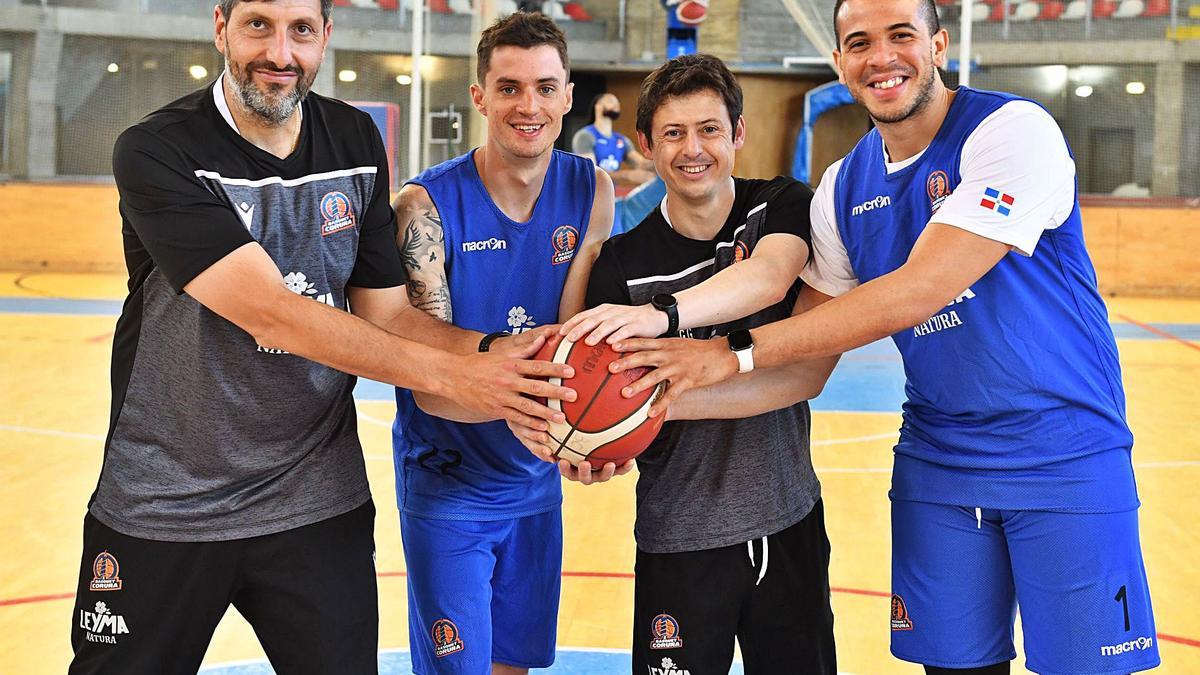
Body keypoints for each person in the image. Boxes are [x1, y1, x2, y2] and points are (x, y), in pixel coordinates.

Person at [605, 1, 1161, 674]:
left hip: (1064, 453)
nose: (882, 56)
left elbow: (917, 290)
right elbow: (803, 368)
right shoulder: (843, 188)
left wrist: (728, 352)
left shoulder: (1011, 131)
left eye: (901, 35)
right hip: (940, 461)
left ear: (938, 44)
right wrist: (636, 407)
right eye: (859, 42)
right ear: (840, 62)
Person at [67, 0, 574, 672]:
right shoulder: (158, 148)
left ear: (325, 37)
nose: (280, 52)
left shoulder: (355, 140)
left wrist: (492, 355)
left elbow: (388, 313)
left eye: (301, 30)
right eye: (258, 25)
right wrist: (460, 376)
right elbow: (272, 312)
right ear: (220, 27)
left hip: (314, 499)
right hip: (167, 500)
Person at [514, 54, 840, 674]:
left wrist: (663, 321)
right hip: (679, 534)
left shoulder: (780, 207)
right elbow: (594, 401)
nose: (694, 149)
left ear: (738, 134)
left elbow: (775, 295)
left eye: (710, 129)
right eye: (673, 133)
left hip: (790, 520)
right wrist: (589, 441)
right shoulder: (618, 267)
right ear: (647, 145)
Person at [389, 12, 613, 675]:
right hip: (448, 482)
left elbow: (574, 345)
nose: (529, 105)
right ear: (480, 96)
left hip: (536, 478)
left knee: (513, 666)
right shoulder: (423, 206)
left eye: (546, 87)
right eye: (509, 87)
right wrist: (529, 388)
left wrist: (588, 433)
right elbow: (429, 375)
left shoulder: (591, 189)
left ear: (568, 94)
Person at [572, 92, 661, 235]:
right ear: (598, 106)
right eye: (610, 101)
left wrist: (663, 161)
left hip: (609, 204)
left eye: (617, 102)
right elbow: (591, 175)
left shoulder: (621, 140)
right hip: (587, 206)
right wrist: (628, 176)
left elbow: (642, 164)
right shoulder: (585, 136)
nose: (616, 104)